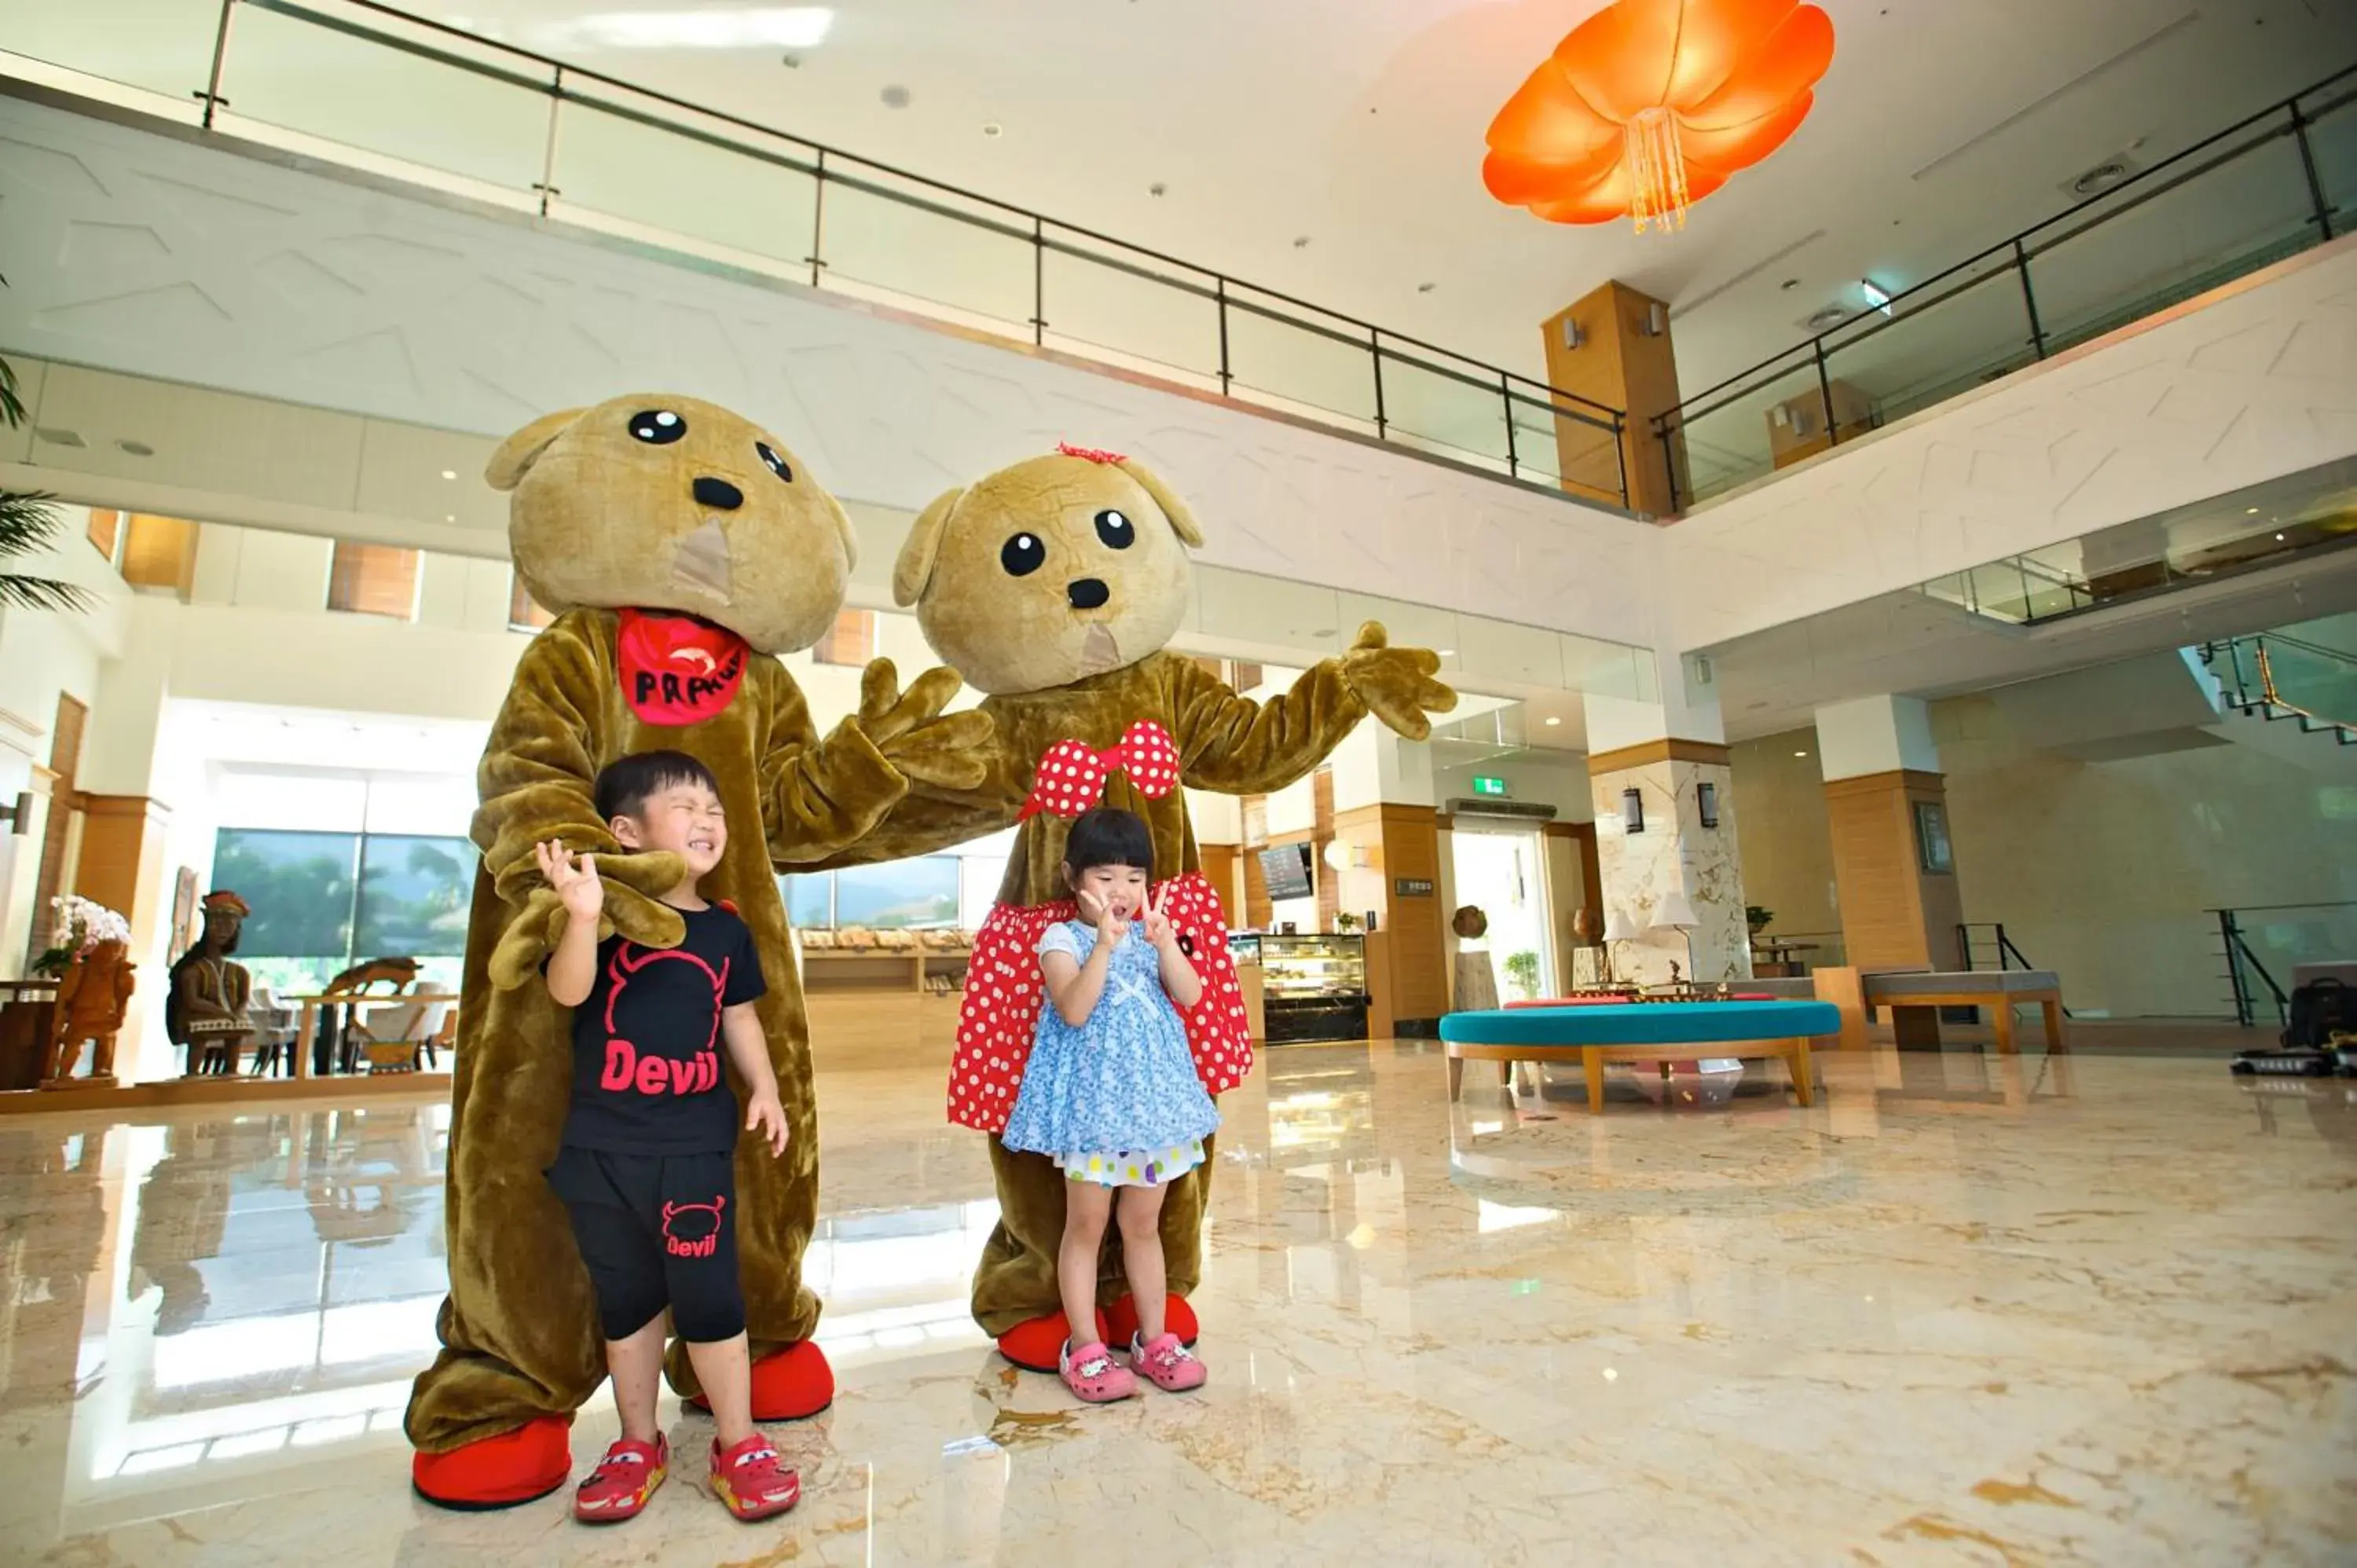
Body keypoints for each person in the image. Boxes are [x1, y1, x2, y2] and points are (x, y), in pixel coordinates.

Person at [535, 750, 801, 1525]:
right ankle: (636, 1440)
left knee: (711, 1293)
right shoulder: (603, 914)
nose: (708, 819)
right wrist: (583, 915)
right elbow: (568, 991)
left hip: (692, 1145)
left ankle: (737, 1439)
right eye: (685, 805)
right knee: (626, 1298)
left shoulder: (725, 928)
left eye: (714, 808)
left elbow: (738, 1014)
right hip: (599, 1150)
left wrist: (768, 1087)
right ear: (626, 830)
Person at [1000, 807, 1221, 1403]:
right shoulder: (1061, 939)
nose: (1121, 892)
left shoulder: (1153, 937)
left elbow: (1193, 995)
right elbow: (1073, 1008)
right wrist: (1102, 945)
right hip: (1095, 1117)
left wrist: (1166, 944)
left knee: (1144, 1227)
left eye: (1134, 878)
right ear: (1073, 878)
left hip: (1155, 1113)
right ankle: (1085, 1347)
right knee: (1087, 1227)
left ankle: (1154, 1341)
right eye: (1105, 877)